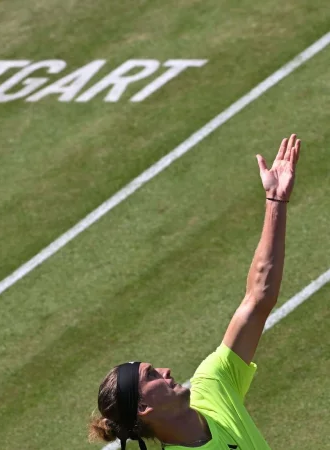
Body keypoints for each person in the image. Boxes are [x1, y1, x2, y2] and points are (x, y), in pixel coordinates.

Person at [88, 134, 302, 449]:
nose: (166, 370)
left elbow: (258, 299)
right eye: (152, 375)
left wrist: (275, 201)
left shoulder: (214, 385)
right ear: (143, 407)